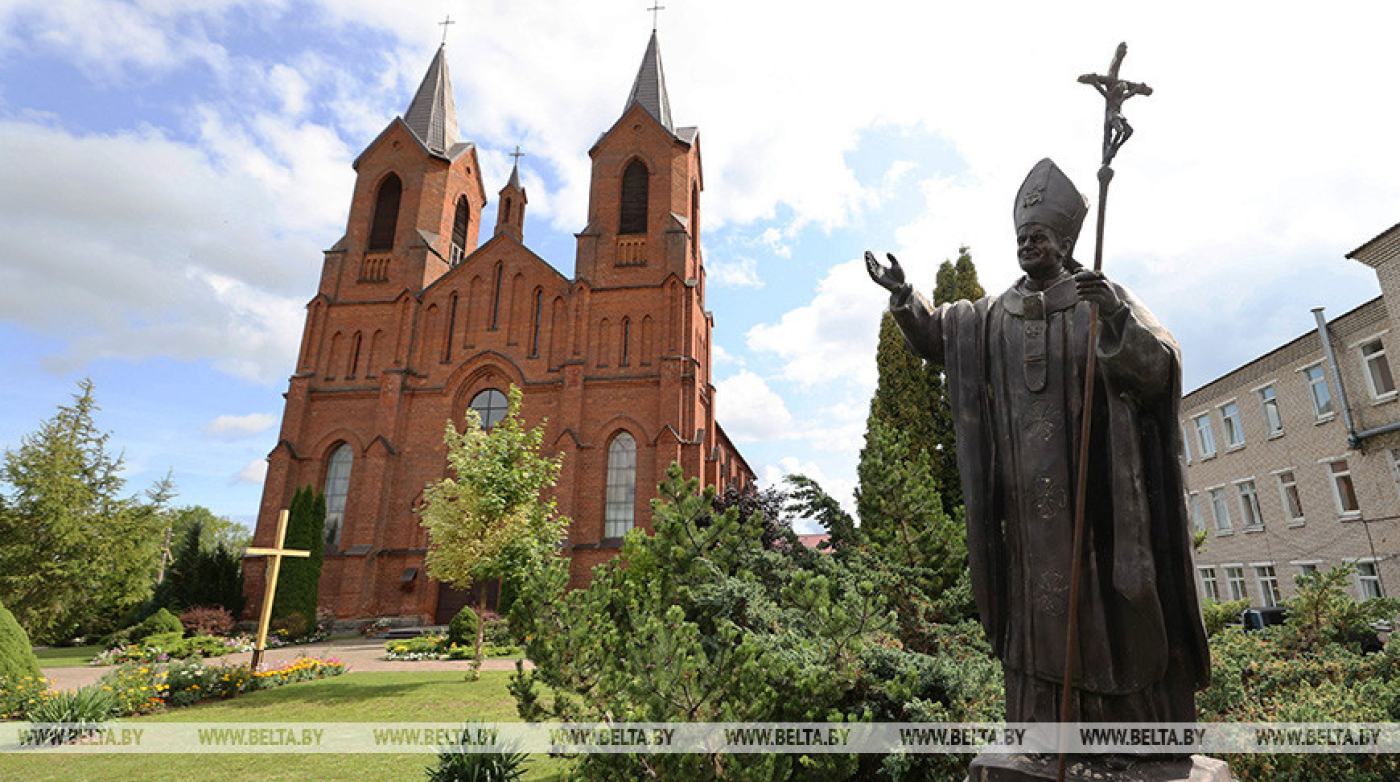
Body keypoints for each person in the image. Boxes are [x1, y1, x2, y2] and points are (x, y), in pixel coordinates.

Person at [864, 158, 1208, 723]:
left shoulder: (1102, 296)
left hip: (1096, 504)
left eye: (1039, 235)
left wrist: (1116, 318)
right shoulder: (993, 315)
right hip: (1024, 515)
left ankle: (1118, 728)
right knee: (1034, 616)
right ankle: (1044, 724)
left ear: (1064, 241)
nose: (1028, 243)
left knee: (1103, 615)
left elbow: (1160, 368)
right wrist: (904, 296)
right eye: (1021, 236)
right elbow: (938, 338)